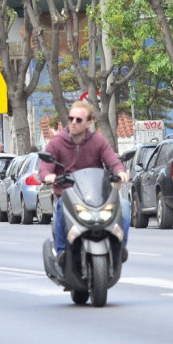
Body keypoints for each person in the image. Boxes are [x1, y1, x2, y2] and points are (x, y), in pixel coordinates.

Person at [40, 100, 128, 268]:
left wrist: (120, 171)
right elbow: (45, 167)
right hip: (68, 195)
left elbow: (112, 160)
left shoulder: (98, 141)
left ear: (89, 122)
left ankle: (120, 247)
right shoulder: (56, 142)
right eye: (71, 118)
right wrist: (48, 176)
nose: (73, 122)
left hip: (96, 197)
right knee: (60, 208)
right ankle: (61, 252)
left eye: (78, 120)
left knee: (123, 205)